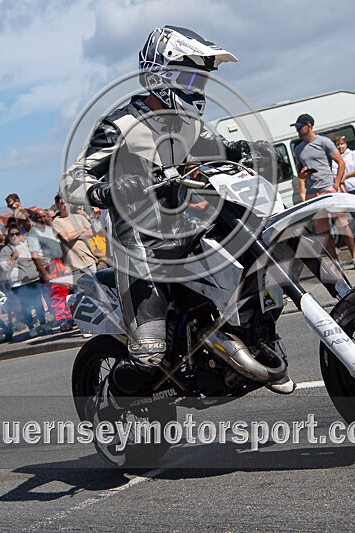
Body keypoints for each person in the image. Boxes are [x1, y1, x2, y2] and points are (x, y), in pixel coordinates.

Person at [60, 25, 292, 400]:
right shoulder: (120, 125)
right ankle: (109, 399)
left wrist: (251, 151)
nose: (198, 88)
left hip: (190, 231)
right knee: (149, 355)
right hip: (142, 250)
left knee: (258, 268)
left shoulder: (188, 126)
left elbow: (220, 150)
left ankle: (253, 341)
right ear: (159, 76)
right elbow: (73, 180)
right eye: (190, 78)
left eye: (201, 80)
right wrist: (107, 190)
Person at [291, 114, 355, 269]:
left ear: (309, 126)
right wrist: (303, 175)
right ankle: (335, 262)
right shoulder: (298, 148)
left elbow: (341, 162)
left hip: (328, 189)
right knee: (323, 231)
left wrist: (336, 185)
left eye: (299, 127)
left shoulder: (324, 142)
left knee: (342, 225)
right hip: (313, 193)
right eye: (296, 127)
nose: (297, 130)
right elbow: (299, 172)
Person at [0, 225, 48, 337]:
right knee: (26, 307)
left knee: (38, 304)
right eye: (12, 235)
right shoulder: (5, 250)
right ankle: (32, 328)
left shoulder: (26, 246)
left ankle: (43, 324)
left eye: (17, 234)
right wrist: (13, 257)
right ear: (8, 237)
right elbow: (4, 267)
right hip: (19, 284)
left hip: (33, 279)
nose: (15, 236)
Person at [31, 208, 73, 330]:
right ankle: (62, 320)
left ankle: (69, 318)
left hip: (59, 263)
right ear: (35, 219)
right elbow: (35, 256)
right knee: (55, 295)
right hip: (48, 267)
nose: (42, 219)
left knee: (64, 292)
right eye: (39, 217)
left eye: (44, 216)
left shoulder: (51, 229)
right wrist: (44, 273)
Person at [52, 195, 99, 274]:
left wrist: (73, 235)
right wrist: (81, 230)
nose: (65, 205)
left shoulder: (79, 217)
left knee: (96, 280)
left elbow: (92, 232)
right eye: (62, 203)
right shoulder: (56, 222)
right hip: (73, 264)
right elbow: (66, 238)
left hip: (88, 259)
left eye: (67, 203)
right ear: (57, 206)